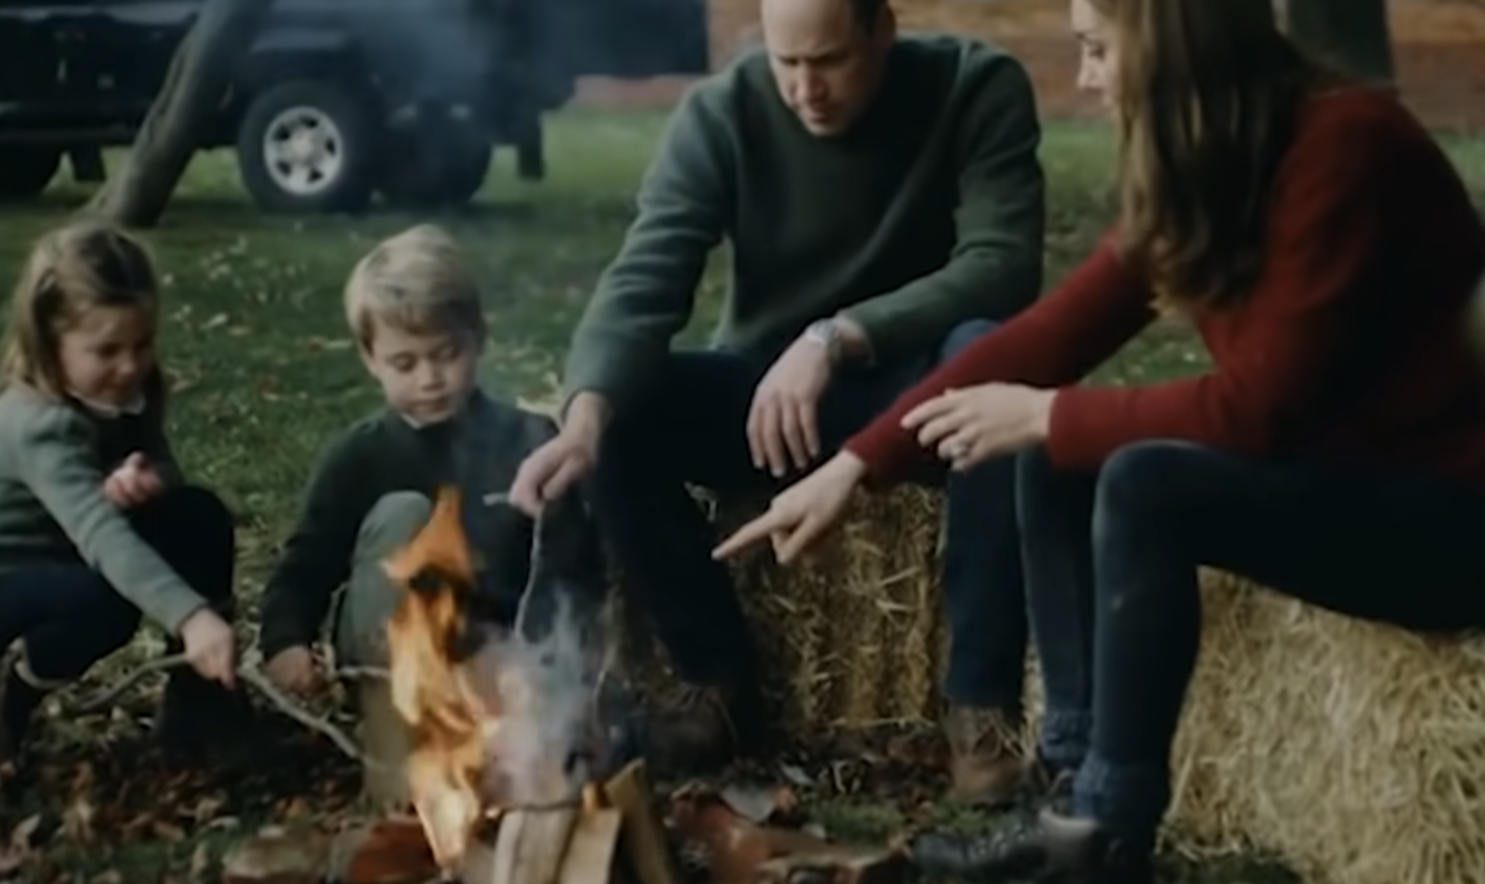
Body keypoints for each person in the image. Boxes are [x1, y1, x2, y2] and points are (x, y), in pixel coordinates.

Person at [712, 0, 1485, 880]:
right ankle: (1071, 788)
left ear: (1166, 47)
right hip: (1340, 483)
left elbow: (1263, 409)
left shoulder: (1346, 145)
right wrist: (859, 463)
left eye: (1094, 50)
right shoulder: (1213, 165)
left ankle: (1107, 832)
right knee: (1054, 448)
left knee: (1138, 479)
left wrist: (1046, 414)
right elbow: (1047, 337)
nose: (1082, 78)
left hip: (1447, 516)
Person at [509, 0, 1047, 794]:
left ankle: (979, 706)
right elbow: (646, 278)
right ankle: (714, 685)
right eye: (784, 62)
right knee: (626, 411)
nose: (805, 89)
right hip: (770, 400)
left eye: (828, 61)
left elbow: (1002, 266)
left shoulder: (974, 84)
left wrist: (836, 336)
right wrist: (582, 420)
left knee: (992, 370)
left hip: (917, 381)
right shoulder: (720, 111)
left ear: (882, 31)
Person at [256, 224, 608, 805]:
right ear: (371, 359)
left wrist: (561, 666)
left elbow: (573, 566)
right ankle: (398, 763)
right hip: (392, 656)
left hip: (502, 659)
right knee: (404, 515)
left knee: (547, 784)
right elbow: (305, 565)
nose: (429, 377)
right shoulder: (359, 457)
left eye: (447, 354)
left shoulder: (529, 441)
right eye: (405, 362)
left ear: (479, 339)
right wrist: (285, 640)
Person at [0, 221, 255, 777]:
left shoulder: (130, 389)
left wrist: (148, 478)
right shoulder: (38, 423)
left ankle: (200, 701)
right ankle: (13, 696)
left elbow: (161, 465)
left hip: (70, 550)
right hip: (15, 571)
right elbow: (101, 535)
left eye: (141, 344)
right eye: (106, 349)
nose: (128, 364)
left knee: (197, 515)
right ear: (48, 341)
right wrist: (192, 618)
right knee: (104, 601)